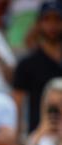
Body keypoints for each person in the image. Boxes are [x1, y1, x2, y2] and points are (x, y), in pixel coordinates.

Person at [13, 0, 62, 135]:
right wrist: (18, 138)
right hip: (38, 141)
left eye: (57, 19)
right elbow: (17, 104)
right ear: (38, 24)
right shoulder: (27, 64)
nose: (52, 25)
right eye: (47, 20)